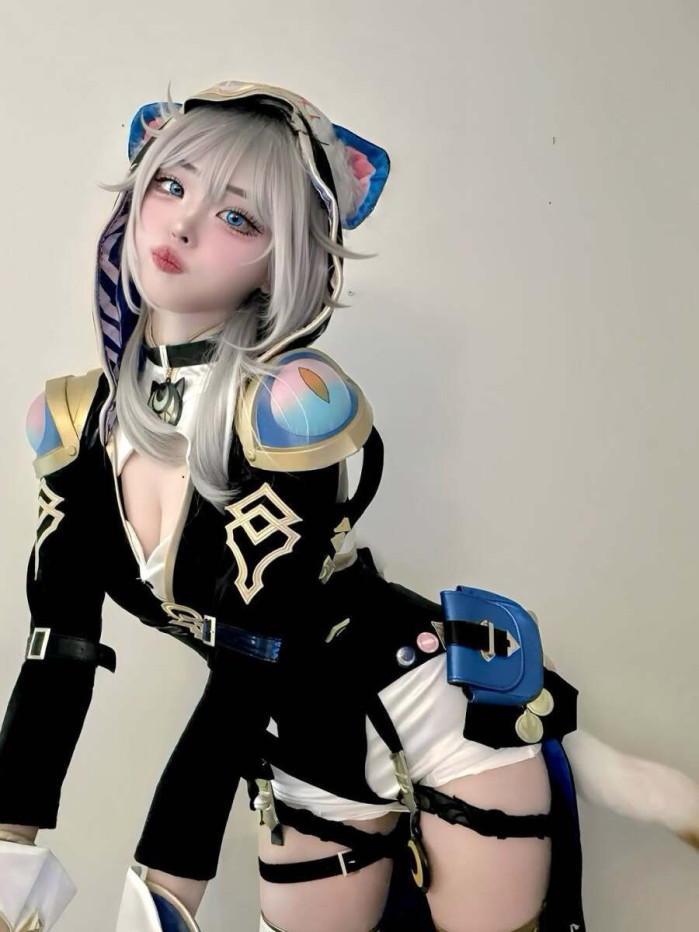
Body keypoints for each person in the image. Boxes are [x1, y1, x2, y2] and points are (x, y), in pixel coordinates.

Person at [0, 79, 696, 932]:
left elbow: (247, 658)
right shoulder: (73, 423)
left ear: (284, 261)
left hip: (434, 717)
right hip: (300, 747)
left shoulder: (291, 408)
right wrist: (8, 848)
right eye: (170, 185)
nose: (181, 225)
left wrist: (160, 895)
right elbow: (58, 647)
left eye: (238, 217)